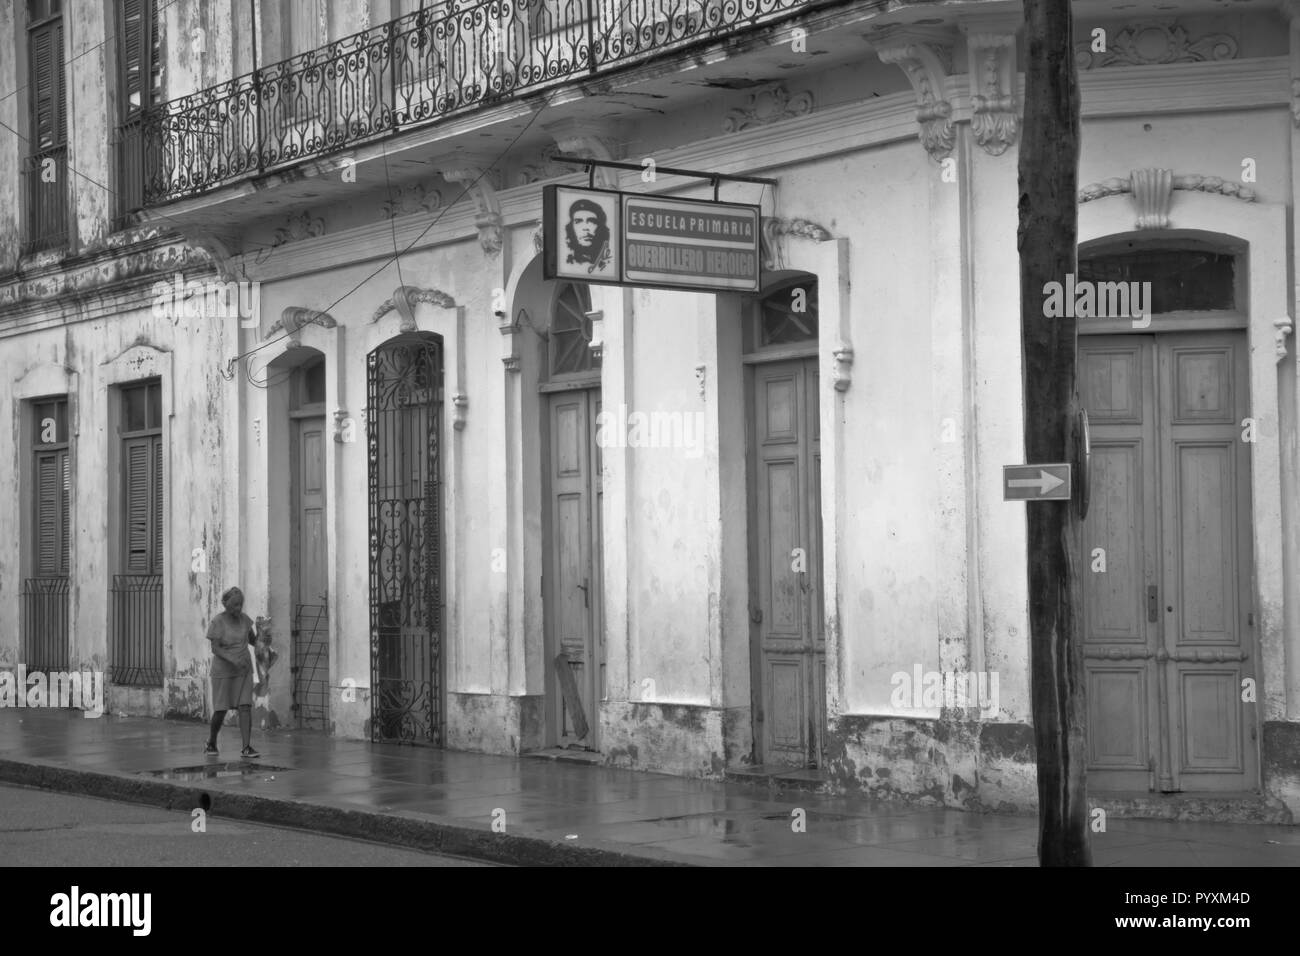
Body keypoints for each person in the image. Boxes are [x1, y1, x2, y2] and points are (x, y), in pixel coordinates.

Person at [204, 586, 260, 758]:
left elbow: (253, 641)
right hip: (223, 672)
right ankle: (211, 742)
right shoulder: (218, 622)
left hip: (243, 670)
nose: (238, 608)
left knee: (245, 707)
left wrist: (264, 637)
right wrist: (232, 659)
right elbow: (215, 648)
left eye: (240, 604)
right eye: (235, 605)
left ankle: (246, 747)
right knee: (221, 709)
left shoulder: (245, 620)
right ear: (225, 604)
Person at [565, 198, 611, 272]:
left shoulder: (606, 265)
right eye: (578, 221)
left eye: (592, 221)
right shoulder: (567, 263)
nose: (585, 228)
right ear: (571, 227)